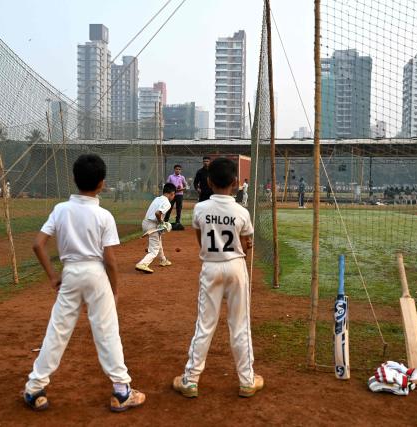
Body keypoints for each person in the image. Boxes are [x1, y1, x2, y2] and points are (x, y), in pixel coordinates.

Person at [23, 154, 144, 413]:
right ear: (102, 183)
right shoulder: (103, 215)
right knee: (107, 331)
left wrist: (53, 276)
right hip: (96, 273)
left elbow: (37, 245)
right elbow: (109, 259)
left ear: (74, 179)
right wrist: (115, 289)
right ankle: (122, 390)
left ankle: (34, 389)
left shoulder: (61, 209)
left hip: (70, 273)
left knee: (58, 331)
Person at [172, 157, 263, 399]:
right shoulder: (241, 211)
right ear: (235, 182)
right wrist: (243, 245)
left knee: (205, 324)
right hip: (236, 266)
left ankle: (190, 380)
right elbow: (245, 244)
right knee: (239, 325)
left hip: (211, 267)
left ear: (209, 182)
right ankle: (246, 381)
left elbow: (200, 240)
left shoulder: (200, 209)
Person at [135, 183, 176, 274]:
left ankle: (163, 260)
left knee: (158, 241)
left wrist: (160, 223)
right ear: (172, 193)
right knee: (154, 250)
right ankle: (143, 264)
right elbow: (158, 213)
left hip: (145, 223)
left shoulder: (157, 198)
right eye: (174, 195)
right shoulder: (167, 203)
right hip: (152, 225)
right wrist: (161, 223)